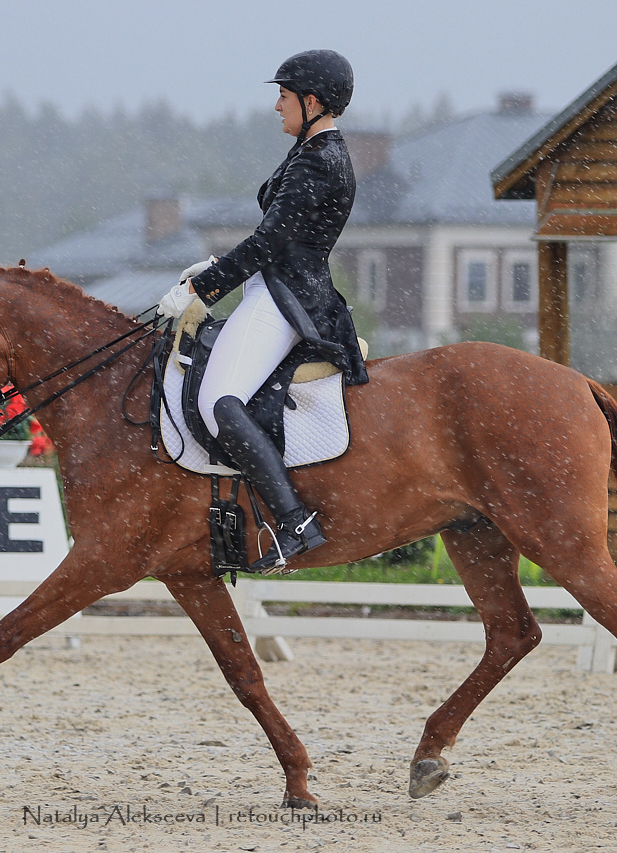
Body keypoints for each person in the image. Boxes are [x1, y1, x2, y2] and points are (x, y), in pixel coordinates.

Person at [156, 49, 368, 573]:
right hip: (274, 286)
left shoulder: (320, 159)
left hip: (287, 300)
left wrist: (202, 290)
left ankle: (294, 521)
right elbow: (278, 243)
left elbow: (270, 240)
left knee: (220, 402)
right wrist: (212, 267)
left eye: (284, 95)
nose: (277, 105)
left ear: (312, 101)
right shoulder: (312, 150)